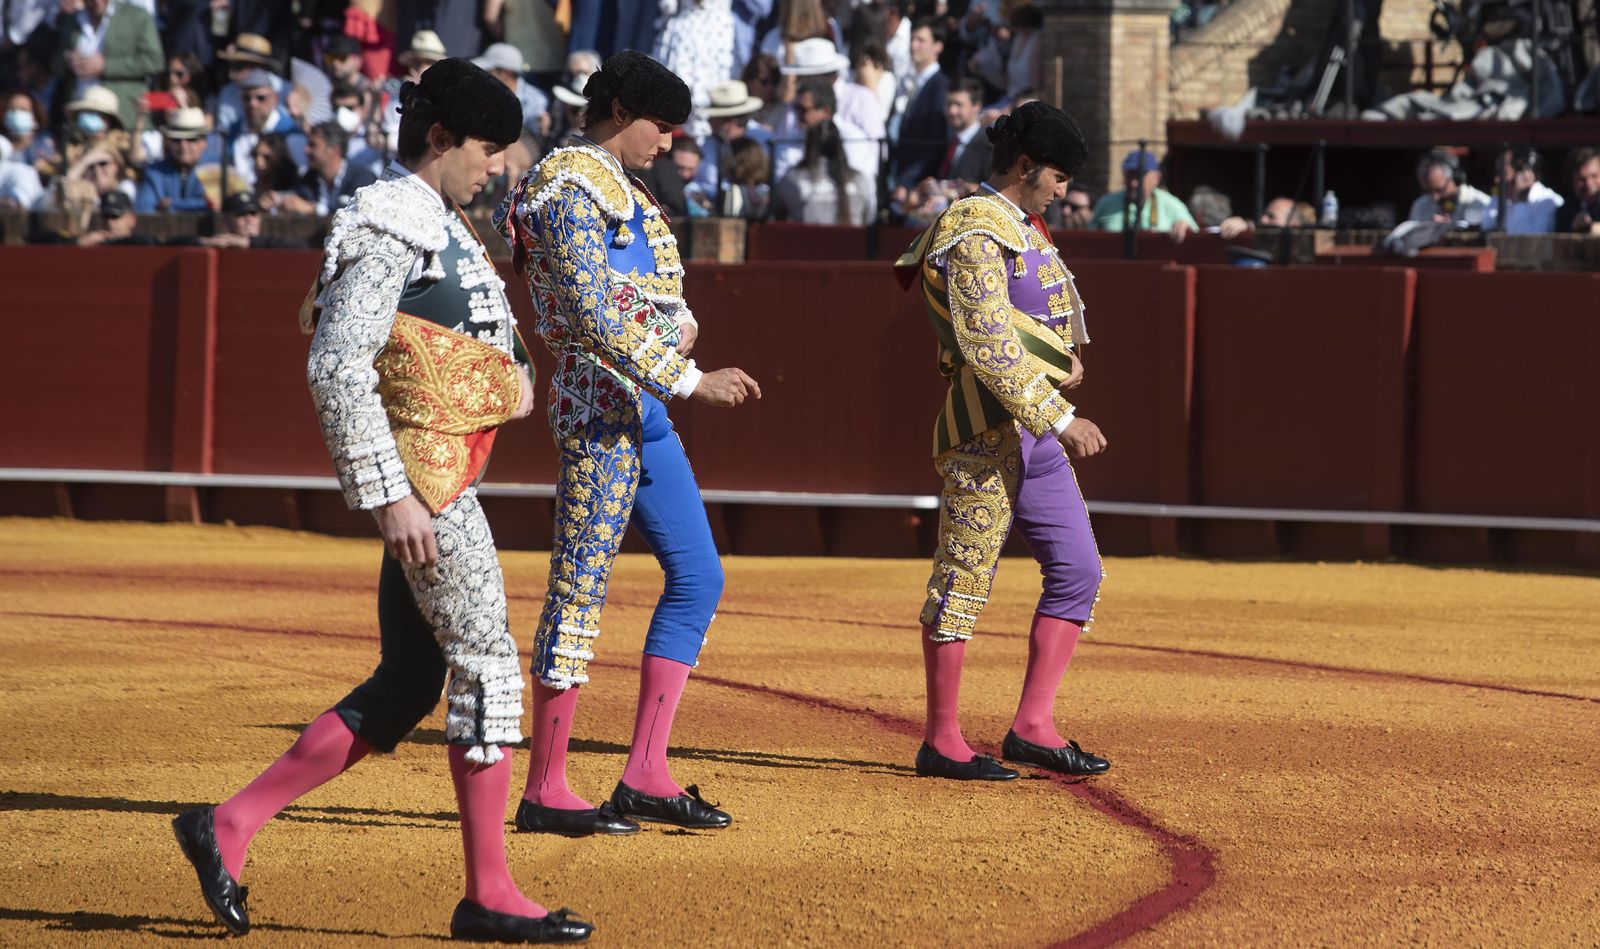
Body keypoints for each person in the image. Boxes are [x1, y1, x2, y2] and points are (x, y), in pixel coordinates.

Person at [170, 58, 594, 944]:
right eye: (485, 149)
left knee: (408, 681)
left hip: (441, 473)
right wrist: (388, 495)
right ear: (440, 141)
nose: (495, 167)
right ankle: (489, 893)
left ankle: (229, 824)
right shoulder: (393, 221)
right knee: (487, 668)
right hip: (427, 487)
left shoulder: (432, 218)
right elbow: (336, 363)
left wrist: (507, 381)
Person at [494, 50, 762, 839]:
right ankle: (545, 786)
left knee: (698, 576)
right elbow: (584, 313)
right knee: (579, 587)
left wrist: (680, 332)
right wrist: (688, 374)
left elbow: (654, 297)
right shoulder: (563, 187)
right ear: (617, 112)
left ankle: (645, 770)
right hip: (597, 412)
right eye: (661, 124)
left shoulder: (628, 192)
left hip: (641, 409)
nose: (671, 140)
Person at [893, 101, 1112, 782]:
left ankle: (1033, 725)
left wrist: (1058, 366)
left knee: (1079, 570)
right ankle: (942, 739)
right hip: (984, 428)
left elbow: (1031, 326)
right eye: (1060, 177)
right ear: (1026, 167)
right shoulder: (972, 227)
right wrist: (1060, 413)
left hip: (1034, 431)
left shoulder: (1018, 226)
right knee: (963, 580)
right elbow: (985, 339)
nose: (1065, 191)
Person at [50, 0, 164, 130]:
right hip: (81, 116)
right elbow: (55, 66)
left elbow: (155, 60)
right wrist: (68, 61)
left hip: (122, 116)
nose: (97, 2)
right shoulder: (73, 20)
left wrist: (106, 66)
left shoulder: (136, 16)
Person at [776, 113, 874, 224]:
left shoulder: (792, 179)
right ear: (839, 145)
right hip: (853, 240)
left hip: (805, 240)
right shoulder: (858, 179)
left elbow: (778, 216)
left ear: (809, 144)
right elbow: (869, 219)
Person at [892, 18, 949, 193]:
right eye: (912, 39)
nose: (913, 46)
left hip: (918, 185)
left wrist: (906, 182)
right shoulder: (917, 83)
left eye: (921, 40)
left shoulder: (940, 86)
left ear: (938, 46)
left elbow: (934, 144)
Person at [225, 69, 306, 189]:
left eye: (261, 98)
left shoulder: (290, 132)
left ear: (275, 99)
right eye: (247, 98)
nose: (253, 104)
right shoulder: (232, 132)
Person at [278, 120, 378, 215]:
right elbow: (297, 198)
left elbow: (357, 214)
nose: (306, 150)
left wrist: (312, 209)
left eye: (313, 145)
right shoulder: (309, 179)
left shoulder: (363, 180)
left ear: (333, 150)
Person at [1091, 149, 1197, 235]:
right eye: (1129, 175)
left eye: (1139, 176)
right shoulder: (1106, 204)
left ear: (1156, 178)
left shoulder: (1172, 205)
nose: (1133, 183)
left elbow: (1196, 239)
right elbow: (1088, 241)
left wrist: (1185, 229)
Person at [134, 107, 217, 213]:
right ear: (169, 142)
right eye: (176, 140)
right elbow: (144, 210)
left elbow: (219, 205)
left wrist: (173, 204)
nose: (183, 146)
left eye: (191, 139)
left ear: (204, 142)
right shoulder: (155, 173)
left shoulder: (217, 169)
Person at [474, 42, 550, 140]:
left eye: (489, 71)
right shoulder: (482, 92)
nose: (484, 75)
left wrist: (540, 124)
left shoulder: (538, 99)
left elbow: (536, 124)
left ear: (507, 73)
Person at [1484, 148, 1563, 234]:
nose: (1497, 180)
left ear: (1524, 173)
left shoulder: (1548, 201)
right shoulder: (1505, 201)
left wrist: (1521, 200)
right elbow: (1487, 228)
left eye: (1503, 173)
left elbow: (1531, 242)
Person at [1407, 150, 1490, 228]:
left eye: (1439, 190)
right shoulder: (1420, 206)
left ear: (1456, 178)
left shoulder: (1483, 204)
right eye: (1428, 191)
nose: (1435, 197)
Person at [1557, 147, 1600, 233]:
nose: (1589, 184)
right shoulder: (1565, 212)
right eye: (1581, 179)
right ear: (1571, 181)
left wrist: (1590, 228)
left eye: (1594, 176)